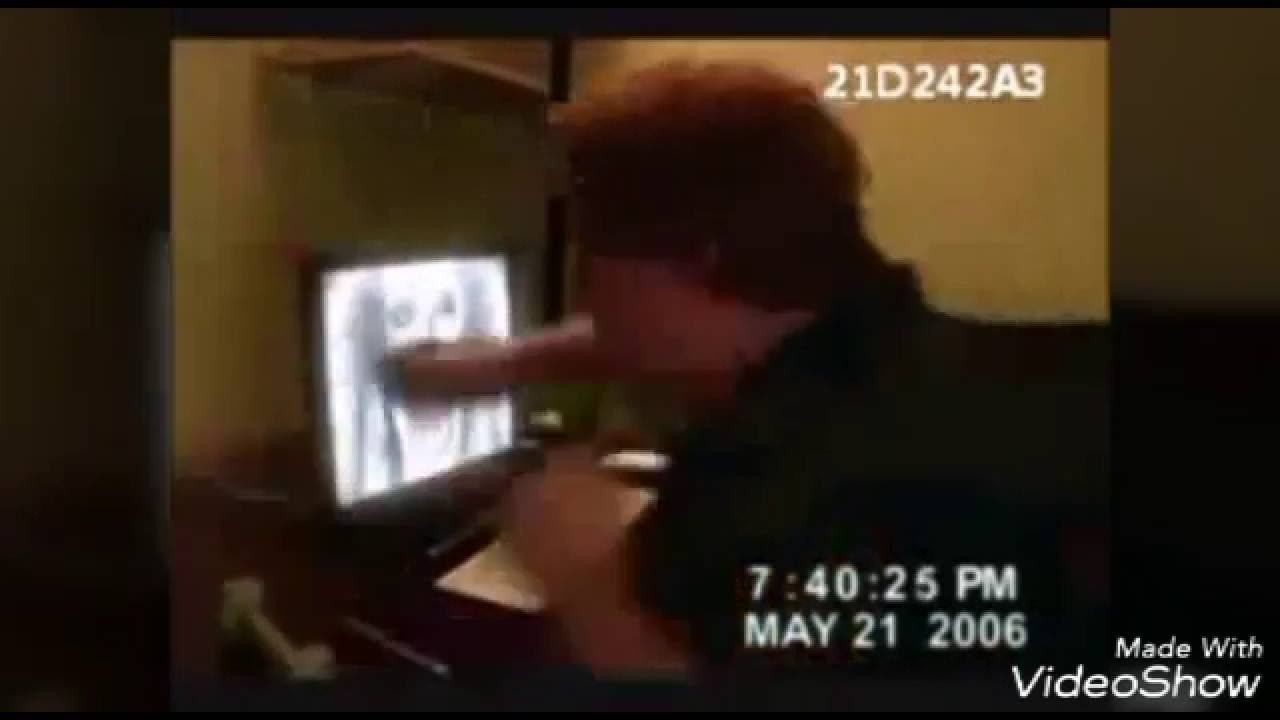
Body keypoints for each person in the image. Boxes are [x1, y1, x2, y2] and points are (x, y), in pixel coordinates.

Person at [392, 61, 1108, 678]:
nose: (592, 303)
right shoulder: (880, 337)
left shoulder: (787, 506)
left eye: (596, 272)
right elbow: (686, 321)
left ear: (700, 261)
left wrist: (584, 583)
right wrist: (507, 361)